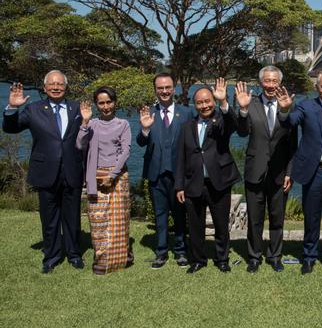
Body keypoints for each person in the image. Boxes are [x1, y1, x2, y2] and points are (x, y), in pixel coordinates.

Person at [3, 71, 84, 273]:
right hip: (45, 171)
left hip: (72, 170)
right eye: (52, 84)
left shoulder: (77, 108)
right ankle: (52, 256)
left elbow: (86, 135)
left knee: (72, 217)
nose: (56, 87)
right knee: (49, 219)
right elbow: (11, 129)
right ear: (45, 87)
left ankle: (74, 255)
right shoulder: (33, 109)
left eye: (60, 84)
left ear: (66, 86)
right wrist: (13, 106)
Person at [275, 69, 322, 274]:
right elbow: (290, 122)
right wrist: (284, 110)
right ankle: (309, 256)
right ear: (317, 87)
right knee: (311, 217)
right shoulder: (305, 106)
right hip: (314, 171)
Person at [175, 79, 240, 274]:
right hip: (193, 182)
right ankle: (198, 260)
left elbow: (234, 123)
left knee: (221, 224)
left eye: (208, 101)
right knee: (195, 225)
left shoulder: (222, 121)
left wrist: (223, 102)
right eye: (200, 103)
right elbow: (180, 157)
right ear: (195, 105)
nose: (204, 105)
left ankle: (222, 259)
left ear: (213, 100)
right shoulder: (187, 126)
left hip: (218, 181)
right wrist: (179, 185)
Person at [235, 66, 296, 273]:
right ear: (261, 82)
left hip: (279, 173)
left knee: (277, 217)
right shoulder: (250, 104)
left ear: (280, 83)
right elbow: (242, 132)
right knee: (254, 217)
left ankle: (275, 256)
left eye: (274, 81)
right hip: (255, 170)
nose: (271, 85)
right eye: (267, 81)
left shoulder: (287, 105)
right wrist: (242, 110)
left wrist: (290, 172)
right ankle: (254, 256)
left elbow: (292, 144)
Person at [137, 73, 193, 269]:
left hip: (179, 174)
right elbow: (141, 142)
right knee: (160, 215)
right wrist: (144, 129)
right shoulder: (148, 113)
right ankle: (161, 252)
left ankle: (180, 251)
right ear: (155, 90)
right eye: (160, 88)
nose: (164, 91)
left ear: (174, 88)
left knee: (179, 214)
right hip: (156, 173)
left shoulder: (186, 113)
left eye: (168, 87)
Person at [77, 86, 133, 274]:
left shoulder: (123, 124)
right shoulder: (91, 124)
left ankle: (120, 258)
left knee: (119, 219)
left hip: (117, 177)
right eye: (101, 103)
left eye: (109, 102)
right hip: (95, 176)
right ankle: (102, 261)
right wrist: (84, 122)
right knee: (98, 219)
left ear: (115, 102)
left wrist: (112, 175)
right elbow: (79, 144)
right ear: (96, 105)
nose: (106, 106)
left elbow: (126, 151)